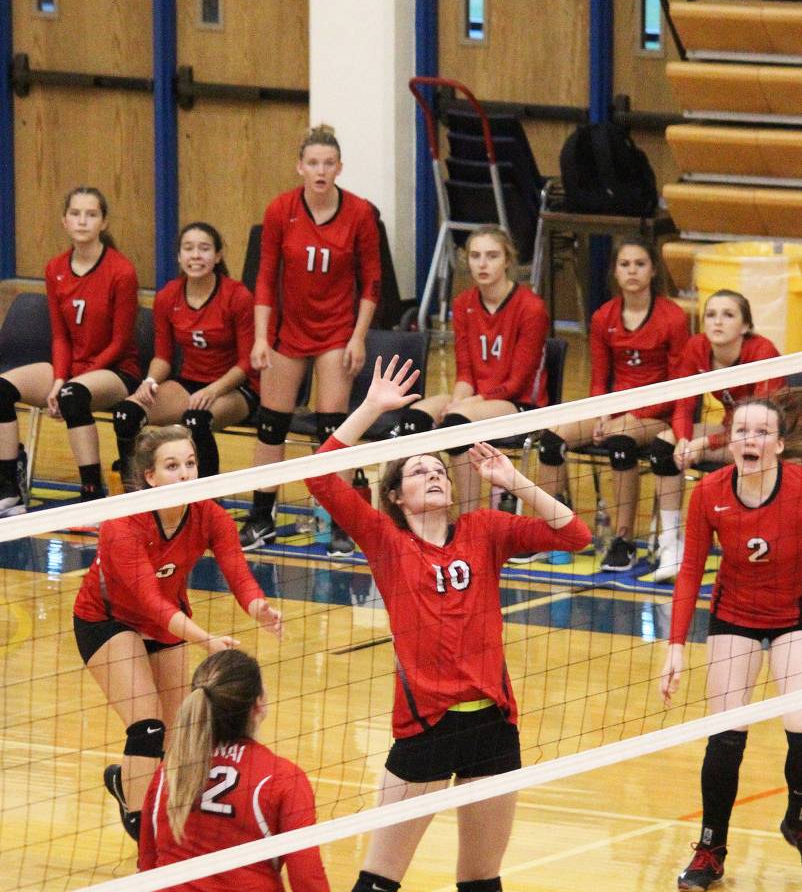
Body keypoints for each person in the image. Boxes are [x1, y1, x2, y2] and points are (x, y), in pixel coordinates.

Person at [306, 355, 592, 892]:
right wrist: (369, 407)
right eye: (418, 471)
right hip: (426, 727)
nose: (433, 474)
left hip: (493, 726)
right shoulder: (387, 542)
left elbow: (575, 536)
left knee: (482, 880)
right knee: (378, 879)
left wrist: (515, 479)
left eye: (438, 469)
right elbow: (320, 478)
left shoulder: (484, 529)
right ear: (395, 496)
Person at [72, 425, 282, 842]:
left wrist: (259, 607)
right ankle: (141, 825)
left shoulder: (208, 514)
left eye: (190, 464)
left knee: (176, 734)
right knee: (147, 726)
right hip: (108, 621)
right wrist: (205, 640)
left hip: (166, 625)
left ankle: (126, 785)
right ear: (150, 477)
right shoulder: (123, 522)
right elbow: (149, 600)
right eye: (173, 466)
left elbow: (238, 571)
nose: (186, 474)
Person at [660, 398, 802, 890]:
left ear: (780, 446)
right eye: (742, 431)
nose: (750, 440)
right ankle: (710, 849)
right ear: (731, 441)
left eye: (762, 432)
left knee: (800, 720)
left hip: (794, 616)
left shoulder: (801, 489)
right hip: (734, 616)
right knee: (726, 734)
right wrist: (675, 644)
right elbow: (690, 571)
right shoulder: (710, 492)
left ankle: (799, 813)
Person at [239, 124, 381, 556]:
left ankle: (341, 521)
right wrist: (261, 337)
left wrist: (358, 338)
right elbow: (265, 278)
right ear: (300, 166)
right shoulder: (281, 210)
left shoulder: (359, 213)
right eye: (313, 163)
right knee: (271, 426)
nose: (320, 171)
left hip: (337, 330)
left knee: (331, 431)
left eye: (328, 163)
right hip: (290, 330)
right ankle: (262, 518)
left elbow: (372, 282)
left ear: (339, 168)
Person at [536, 236, 688, 572]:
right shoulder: (604, 316)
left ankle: (624, 540)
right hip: (616, 407)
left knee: (621, 443)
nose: (632, 271)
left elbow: (679, 386)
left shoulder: (673, 318)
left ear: (652, 272)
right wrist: (602, 413)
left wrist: (632, 416)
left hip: (657, 413)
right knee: (551, 441)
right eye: (625, 265)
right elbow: (599, 378)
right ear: (615, 273)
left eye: (640, 264)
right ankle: (555, 529)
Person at [390, 225, 549, 518]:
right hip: (475, 400)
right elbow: (465, 370)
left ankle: (469, 519)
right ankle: (426, 512)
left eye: (492, 256)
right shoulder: (463, 304)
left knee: (456, 423)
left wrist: (466, 405)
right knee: (413, 421)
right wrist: (459, 399)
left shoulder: (531, 308)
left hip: (519, 404)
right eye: (475, 256)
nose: (483, 263)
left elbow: (517, 382)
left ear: (507, 261)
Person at [138, 649, 329, 892]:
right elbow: (307, 880)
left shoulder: (171, 773)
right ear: (258, 704)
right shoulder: (283, 778)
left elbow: (147, 865)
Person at [0, 186, 140, 513]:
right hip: (71, 367)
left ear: (103, 222)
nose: (82, 221)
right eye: (75, 214)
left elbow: (120, 343)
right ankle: (8, 486)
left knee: (73, 397)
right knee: (1, 389)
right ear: (64, 221)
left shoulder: (121, 271)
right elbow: (60, 337)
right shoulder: (55, 269)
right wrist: (60, 378)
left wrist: (68, 383)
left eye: (91, 214)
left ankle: (91, 494)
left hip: (116, 370)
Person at [648, 289, 783, 581]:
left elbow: (758, 423)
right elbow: (682, 404)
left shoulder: (763, 353)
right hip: (733, 432)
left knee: (751, 450)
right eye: (711, 315)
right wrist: (684, 439)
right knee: (664, 445)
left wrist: (704, 442)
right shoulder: (696, 348)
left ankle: (756, 549)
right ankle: (671, 544)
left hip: (777, 438)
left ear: (745, 326)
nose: (717, 322)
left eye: (728, 315)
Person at [111, 222, 259, 484]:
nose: (196, 256)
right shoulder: (168, 296)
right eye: (188, 249)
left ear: (217, 256)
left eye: (204, 249)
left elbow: (247, 362)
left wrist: (213, 390)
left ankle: (207, 503)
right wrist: (150, 382)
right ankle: (134, 496)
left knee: (196, 420)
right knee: (127, 414)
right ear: (179, 256)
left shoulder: (237, 296)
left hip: (236, 388)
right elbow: (163, 358)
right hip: (189, 383)